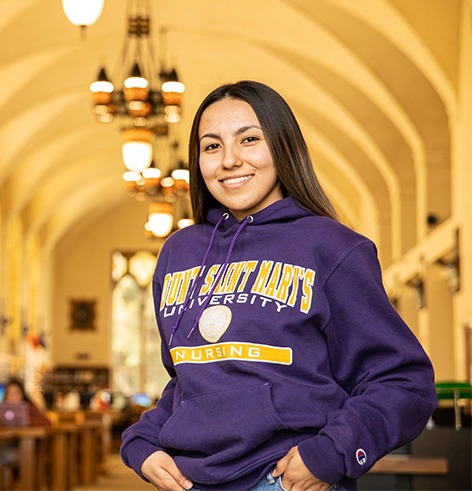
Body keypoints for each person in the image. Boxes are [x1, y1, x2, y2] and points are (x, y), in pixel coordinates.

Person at [120, 80, 437, 491]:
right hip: (193, 479)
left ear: (284, 147)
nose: (229, 160)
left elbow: (404, 381)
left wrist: (332, 454)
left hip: (282, 479)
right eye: (211, 146)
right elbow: (190, 379)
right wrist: (142, 442)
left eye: (249, 140)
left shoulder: (332, 247)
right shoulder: (179, 253)